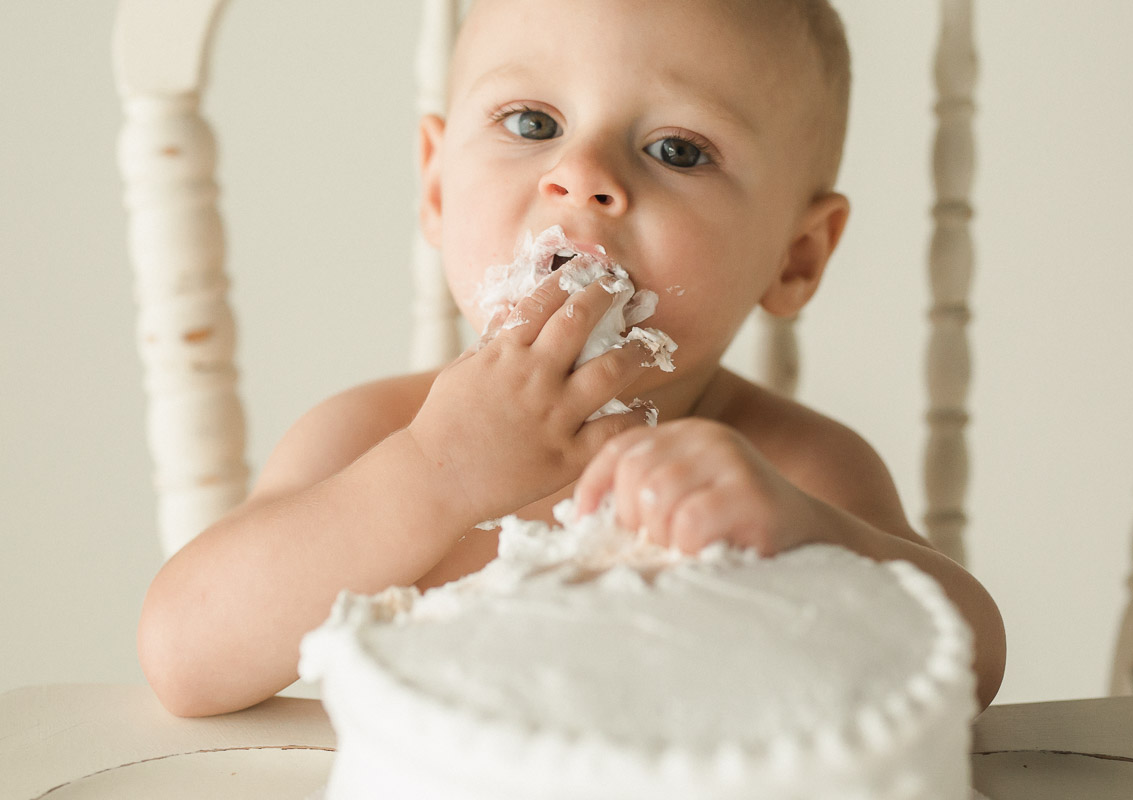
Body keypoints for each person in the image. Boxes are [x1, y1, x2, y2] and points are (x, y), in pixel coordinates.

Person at [138, 0, 1006, 718]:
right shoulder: (375, 437)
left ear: (796, 257)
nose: (582, 173)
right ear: (436, 187)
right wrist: (433, 475)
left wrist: (814, 540)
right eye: (533, 123)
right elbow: (184, 656)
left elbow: (972, 665)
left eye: (677, 150)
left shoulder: (791, 470)